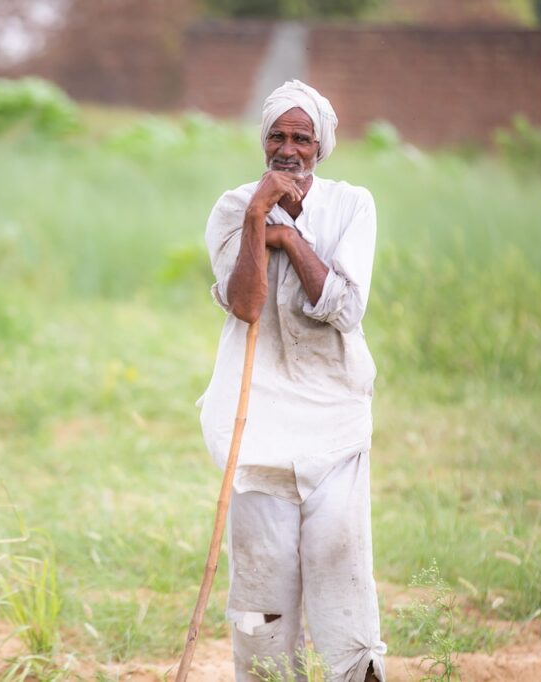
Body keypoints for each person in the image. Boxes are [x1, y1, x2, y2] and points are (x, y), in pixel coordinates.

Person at [197, 80, 386, 682]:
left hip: (334, 423)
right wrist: (260, 217)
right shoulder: (234, 207)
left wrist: (292, 238)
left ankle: (357, 673)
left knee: (341, 570)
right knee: (259, 592)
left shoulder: (353, 204)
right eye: (277, 136)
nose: (288, 150)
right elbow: (245, 305)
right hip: (256, 428)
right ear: (263, 143)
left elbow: (345, 308)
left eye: (301, 139)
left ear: (319, 148)